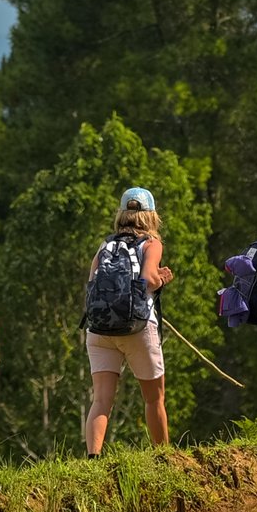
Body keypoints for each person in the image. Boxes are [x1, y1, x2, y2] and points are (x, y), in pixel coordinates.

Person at [84, 187, 175, 457]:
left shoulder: (106, 245)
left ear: (122, 214)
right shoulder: (151, 243)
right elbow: (148, 279)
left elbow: (91, 284)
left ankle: (93, 457)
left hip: (99, 329)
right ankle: (164, 457)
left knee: (101, 400)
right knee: (154, 398)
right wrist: (162, 279)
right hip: (137, 326)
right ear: (150, 216)